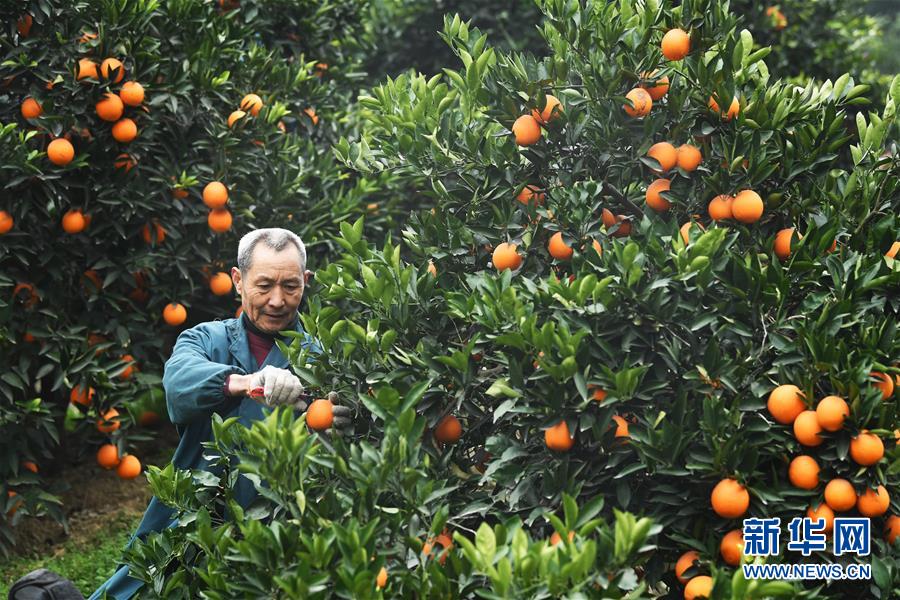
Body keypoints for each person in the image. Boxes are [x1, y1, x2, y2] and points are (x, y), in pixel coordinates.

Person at [88, 228, 351, 600]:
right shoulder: (205, 340)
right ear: (238, 281)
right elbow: (178, 387)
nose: (277, 300)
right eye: (264, 286)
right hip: (190, 522)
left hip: (280, 531)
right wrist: (245, 382)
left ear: (306, 282)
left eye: (291, 286)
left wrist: (339, 431)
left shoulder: (325, 359)